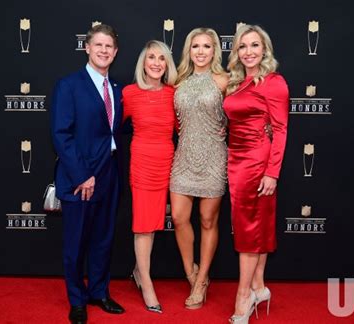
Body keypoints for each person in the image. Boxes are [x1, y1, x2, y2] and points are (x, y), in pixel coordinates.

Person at [50, 24, 125, 324]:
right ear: (87, 48)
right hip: (80, 176)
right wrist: (82, 175)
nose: (104, 50)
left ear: (115, 52)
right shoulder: (68, 85)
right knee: (76, 242)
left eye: (109, 46)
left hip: (109, 174)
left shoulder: (116, 88)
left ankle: (98, 292)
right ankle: (77, 299)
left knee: (103, 238)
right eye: (98, 45)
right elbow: (61, 134)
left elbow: (116, 130)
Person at [223, 24, 289, 323]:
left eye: (254, 45)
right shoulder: (235, 83)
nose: (248, 52)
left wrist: (272, 172)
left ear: (265, 49)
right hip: (235, 158)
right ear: (236, 51)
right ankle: (259, 286)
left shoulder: (274, 83)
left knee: (249, 229)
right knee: (256, 223)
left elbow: (281, 129)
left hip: (257, 161)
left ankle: (244, 296)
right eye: (243, 46)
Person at [170, 27, 228, 309]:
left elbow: (242, 112)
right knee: (180, 218)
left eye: (207, 46)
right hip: (183, 158)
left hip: (214, 158)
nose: (201, 51)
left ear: (215, 50)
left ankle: (202, 279)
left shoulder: (224, 81)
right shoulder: (178, 81)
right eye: (196, 46)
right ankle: (189, 272)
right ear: (188, 50)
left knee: (208, 220)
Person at [122, 40, 177, 313]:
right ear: (143, 62)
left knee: (156, 221)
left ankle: (136, 270)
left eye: (162, 58)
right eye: (151, 57)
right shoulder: (129, 93)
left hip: (169, 164)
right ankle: (146, 281)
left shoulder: (173, 94)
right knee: (144, 224)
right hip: (142, 163)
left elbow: (188, 127)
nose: (156, 63)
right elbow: (107, 125)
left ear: (167, 64)